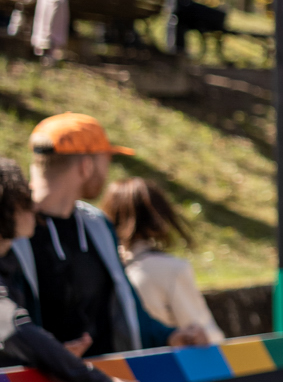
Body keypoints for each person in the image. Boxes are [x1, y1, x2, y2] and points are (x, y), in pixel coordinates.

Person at [13, 114, 206, 357]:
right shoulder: (11, 231)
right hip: (33, 379)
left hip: (108, 376)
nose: (108, 173)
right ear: (86, 166)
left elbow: (127, 308)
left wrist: (169, 336)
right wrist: (47, 355)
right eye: (107, 161)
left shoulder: (98, 225)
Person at [0, 157, 163, 382]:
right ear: (8, 207)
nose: (34, 204)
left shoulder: (8, 261)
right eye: (25, 198)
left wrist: (54, 355)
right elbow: (13, 329)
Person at [106, 178, 225, 343]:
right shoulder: (171, 270)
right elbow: (203, 334)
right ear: (158, 216)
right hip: (170, 357)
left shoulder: (104, 269)